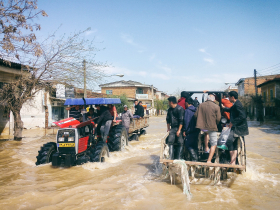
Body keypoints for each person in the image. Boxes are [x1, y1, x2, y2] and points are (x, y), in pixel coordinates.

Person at [222, 91, 249, 165]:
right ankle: (233, 161)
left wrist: (232, 122)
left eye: (229, 97)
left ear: (232, 97)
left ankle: (233, 161)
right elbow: (231, 110)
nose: (228, 98)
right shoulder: (236, 104)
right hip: (236, 127)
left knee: (228, 141)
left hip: (238, 128)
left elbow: (242, 116)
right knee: (233, 144)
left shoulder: (238, 105)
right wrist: (224, 108)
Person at [194, 94, 221, 163]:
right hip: (212, 127)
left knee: (206, 133)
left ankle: (206, 147)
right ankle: (209, 160)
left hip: (202, 128)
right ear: (214, 100)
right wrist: (216, 123)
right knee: (214, 144)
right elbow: (218, 119)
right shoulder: (216, 106)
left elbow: (195, 115)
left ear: (207, 99)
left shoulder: (201, 105)